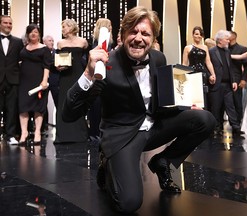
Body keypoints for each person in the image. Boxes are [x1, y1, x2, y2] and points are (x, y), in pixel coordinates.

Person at [62, 6, 216, 213]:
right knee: (129, 203)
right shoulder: (106, 65)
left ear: (153, 38)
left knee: (205, 119)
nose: (138, 38)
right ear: (122, 34)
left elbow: (161, 102)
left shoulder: (158, 58)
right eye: (133, 31)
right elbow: (69, 114)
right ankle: (107, 164)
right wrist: (89, 73)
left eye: (145, 33)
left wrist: (187, 104)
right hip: (123, 134)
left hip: (153, 127)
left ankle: (163, 161)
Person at [54, 19, 88, 143]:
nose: (62, 29)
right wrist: (58, 67)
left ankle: (79, 135)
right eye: (62, 27)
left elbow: (87, 60)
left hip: (79, 74)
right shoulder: (60, 43)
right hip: (65, 76)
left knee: (78, 101)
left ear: (71, 27)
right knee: (64, 101)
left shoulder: (83, 42)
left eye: (64, 26)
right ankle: (63, 136)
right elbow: (57, 61)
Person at [18, 24, 51, 144]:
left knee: (38, 107)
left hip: (38, 81)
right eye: (31, 32)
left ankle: (37, 132)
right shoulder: (24, 47)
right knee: (23, 107)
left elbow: (47, 66)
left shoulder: (44, 49)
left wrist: (44, 80)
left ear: (39, 34)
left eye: (36, 32)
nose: (33, 34)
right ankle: (24, 133)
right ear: (27, 34)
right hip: (24, 81)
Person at [208, 30, 242, 135]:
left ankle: (235, 127)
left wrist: (234, 81)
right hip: (217, 83)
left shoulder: (227, 51)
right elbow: (208, 66)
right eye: (226, 39)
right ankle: (216, 127)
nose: (228, 40)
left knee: (230, 106)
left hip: (228, 84)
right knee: (216, 107)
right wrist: (210, 76)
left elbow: (230, 67)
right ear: (220, 40)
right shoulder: (212, 51)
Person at [86, 18, 114, 141]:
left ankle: (94, 132)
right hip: (99, 76)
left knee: (96, 106)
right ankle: (95, 133)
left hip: (100, 76)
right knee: (97, 106)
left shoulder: (95, 42)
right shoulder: (101, 43)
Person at [0, 15, 24, 145]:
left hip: (13, 79)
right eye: (5, 23)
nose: (8, 25)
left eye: (10, 23)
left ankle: (10, 135)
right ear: (0, 24)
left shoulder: (18, 41)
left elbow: (22, 59)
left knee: (11, 108)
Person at [229, 31, 247, 123]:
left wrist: (243, 79)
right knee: (227, 102)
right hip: (225, 78)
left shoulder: (242, 48)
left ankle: (238, 122)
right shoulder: (224, 48)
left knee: (237, 101)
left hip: (237, 78)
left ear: (234, 36)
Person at [43, 35, 59, 108]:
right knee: (42, 103)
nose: (52, 42)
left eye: (53, 41)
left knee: (58, 102)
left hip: (55, 81)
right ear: (44, 42)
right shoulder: (40, 53)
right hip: (43, 80)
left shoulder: (57, 53)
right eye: (50, 41)